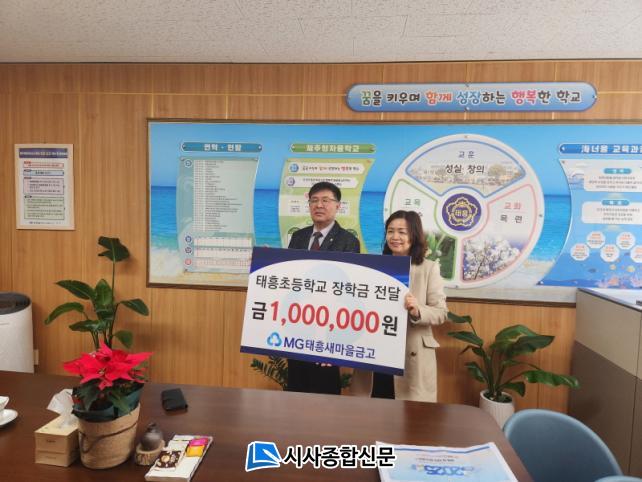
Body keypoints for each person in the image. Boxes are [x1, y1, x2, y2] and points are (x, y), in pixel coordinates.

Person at [352, 210, 447, 402]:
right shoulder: (374, 267)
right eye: (390, 231)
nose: (395, 237)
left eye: (402, 232)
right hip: (376, 352)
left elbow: (441, 313)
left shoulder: (429, 268)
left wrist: (418, 309)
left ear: (414, 235)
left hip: (410, 355)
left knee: (407, 414)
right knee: (372, 408)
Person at [286, 181, 361, 394]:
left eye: (325, 200)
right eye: (314, 200)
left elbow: (347, 292)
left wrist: (334, 341)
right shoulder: (298, 237)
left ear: (338, 206)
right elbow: (290, 279)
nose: (319, 205)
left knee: (324, 393)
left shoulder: (348, 241)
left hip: (327, 331)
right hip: (299, 327)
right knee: (295, 389)